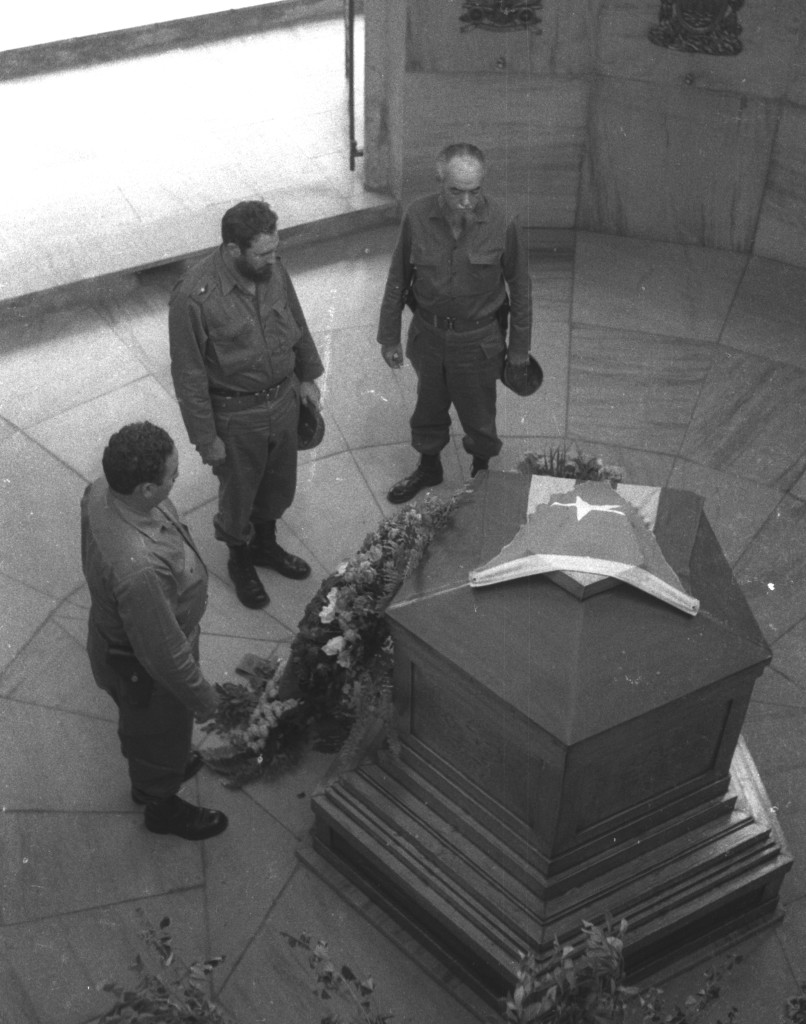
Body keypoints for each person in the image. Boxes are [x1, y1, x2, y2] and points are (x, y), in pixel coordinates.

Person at [169, 200, 324, 609]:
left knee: (278, 484)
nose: (273, 259)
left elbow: (297, 319)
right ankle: (240, 558)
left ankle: (265, 545)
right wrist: (206, 439)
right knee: (239, 494)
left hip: (284, 399)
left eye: (275, 249)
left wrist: (307, 376)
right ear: (233, 250)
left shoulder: (273, 269)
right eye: (263, 253)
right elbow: (188, 376)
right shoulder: (193, 297)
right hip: (236, 414)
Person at [81, 422, 228, 841]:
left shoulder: (99, 490)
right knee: (158, 732)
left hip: (120, 641)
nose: (178, 478)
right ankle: (160, 803)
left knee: (157, 730)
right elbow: (163, 656)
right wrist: (206, 701)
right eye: (173, 475)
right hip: (143, 670)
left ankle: (163, 765)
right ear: (146, 490)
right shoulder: (140, 569)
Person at [377, 142, 533, 503]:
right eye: (456, 192)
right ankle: (429, 465)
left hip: (479, 340)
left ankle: (482, 473)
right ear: (439, 181)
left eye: (474, 191)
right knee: (428, 405)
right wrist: (389, 336)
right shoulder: (417, 216)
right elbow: (397, 277)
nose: (466, 202)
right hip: (428, 336)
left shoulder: (503, 221)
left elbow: (521, 287)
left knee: (479, 411)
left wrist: (519, 350)